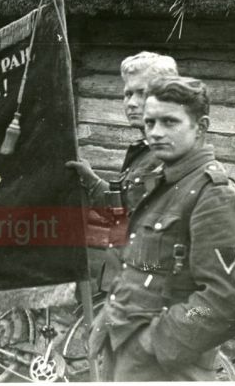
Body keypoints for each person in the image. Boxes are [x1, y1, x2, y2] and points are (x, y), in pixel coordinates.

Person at [89, 76, 235, 381]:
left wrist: (153, 342)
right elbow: (137, 264)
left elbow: (225, 301)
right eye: (150, 122)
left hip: (166, 367)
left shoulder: (214, 195)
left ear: (200, 127)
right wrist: (109, 318)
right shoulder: (161, 184)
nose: (155, 132)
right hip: (123, 348)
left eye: (169, 122)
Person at [66, 52, 178, 291]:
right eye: (128, 94)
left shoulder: (170, 156)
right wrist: (91, 179)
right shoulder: (144, 151)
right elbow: (125, 208)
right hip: (123, 281)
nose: (132, 102)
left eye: (142, 93)